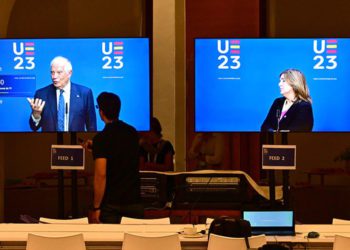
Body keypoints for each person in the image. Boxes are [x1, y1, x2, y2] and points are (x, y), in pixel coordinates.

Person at [83, 92, 143, 223]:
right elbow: (121, 150)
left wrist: (96, 207)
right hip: (134, 201)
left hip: (112, 205)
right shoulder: (132, 133)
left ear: (102, 112)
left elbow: (101, 175)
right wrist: (96, 147)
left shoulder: (101, 139)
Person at [27, 56, 97, 132]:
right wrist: (36, 115)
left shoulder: (85, 93)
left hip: (76, 142)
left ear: (69, 73)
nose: (54, 77)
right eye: (52, 72)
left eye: (59, 72)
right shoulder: (41, 94)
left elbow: (92, 126)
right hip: (49, 142)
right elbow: (34, 127)